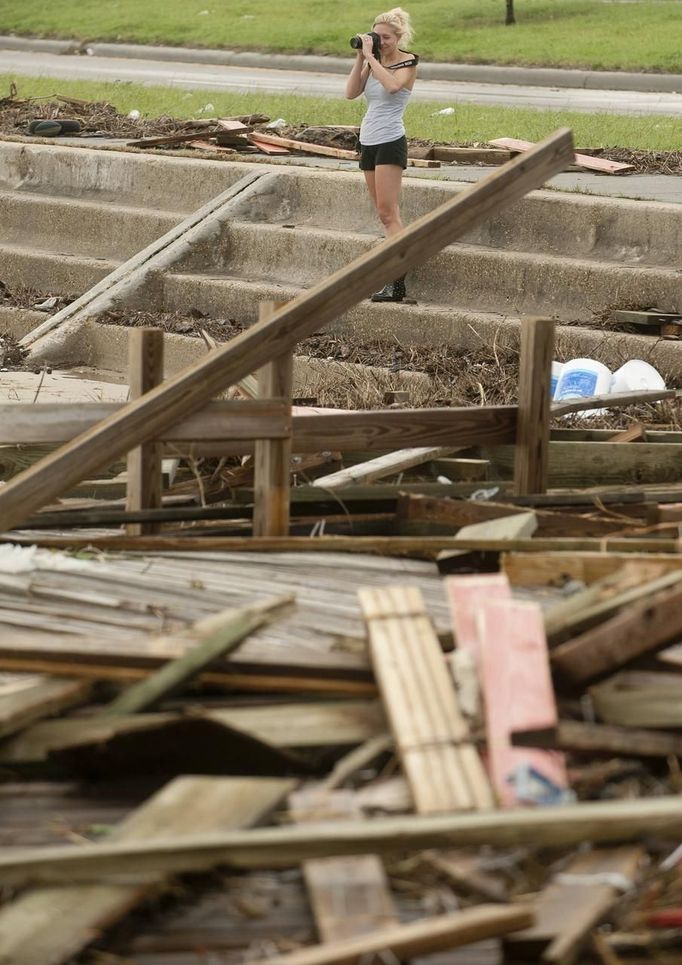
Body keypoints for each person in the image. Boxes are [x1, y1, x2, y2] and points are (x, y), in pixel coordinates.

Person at [345, 7, 418, 303]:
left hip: (390, 140)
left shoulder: (408, 62)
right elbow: (351, 93)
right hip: (369, 141)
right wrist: (361, 57)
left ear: (398, 37)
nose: (381, 41)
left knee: (389, 213)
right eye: (377, 36)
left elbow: (391, 87)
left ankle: (397, 280)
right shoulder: (371, 62)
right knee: (383, 214)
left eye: (386, 37)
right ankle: (395, 274)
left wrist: (373, 58)